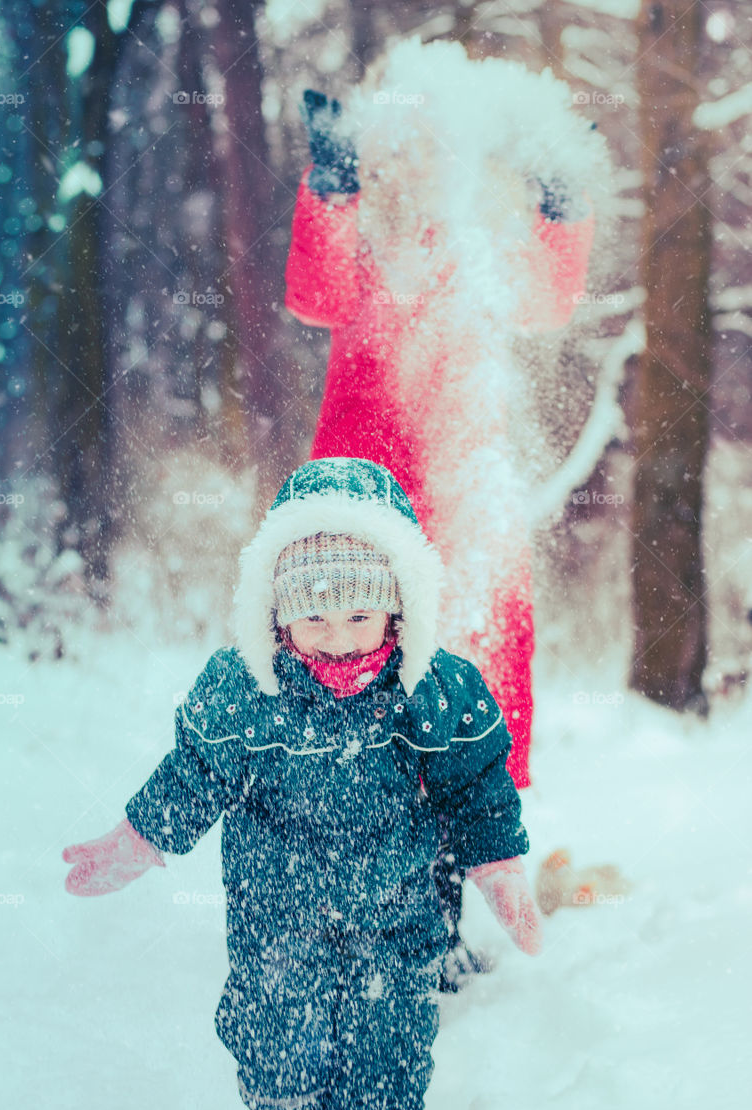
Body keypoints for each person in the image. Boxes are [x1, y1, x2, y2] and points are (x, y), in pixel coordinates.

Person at [62, 456, 543, 1110]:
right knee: (276, 1030)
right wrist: (142, 836)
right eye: (314, 620)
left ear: (397, 612)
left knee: (391, 1038)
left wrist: (497, 866)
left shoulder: (431, 689)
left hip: (396, 907)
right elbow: (197, 773)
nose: (339, 643)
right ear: (276, 617)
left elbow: (475, 786)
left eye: (361, 619)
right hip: (276, 907)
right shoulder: (247, 691)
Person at [286, 53, 602, 973]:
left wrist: (560, 201)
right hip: (362, 519)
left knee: (468, 707)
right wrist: (328, 187)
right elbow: (312, 290)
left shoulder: (481, 255)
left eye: (422, 155)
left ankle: (443, 922)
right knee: (359, 707)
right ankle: (364, 916)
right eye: (383, 159)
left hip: (467, 523)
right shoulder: (362, 254)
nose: (404, 174)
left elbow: (548, 297)